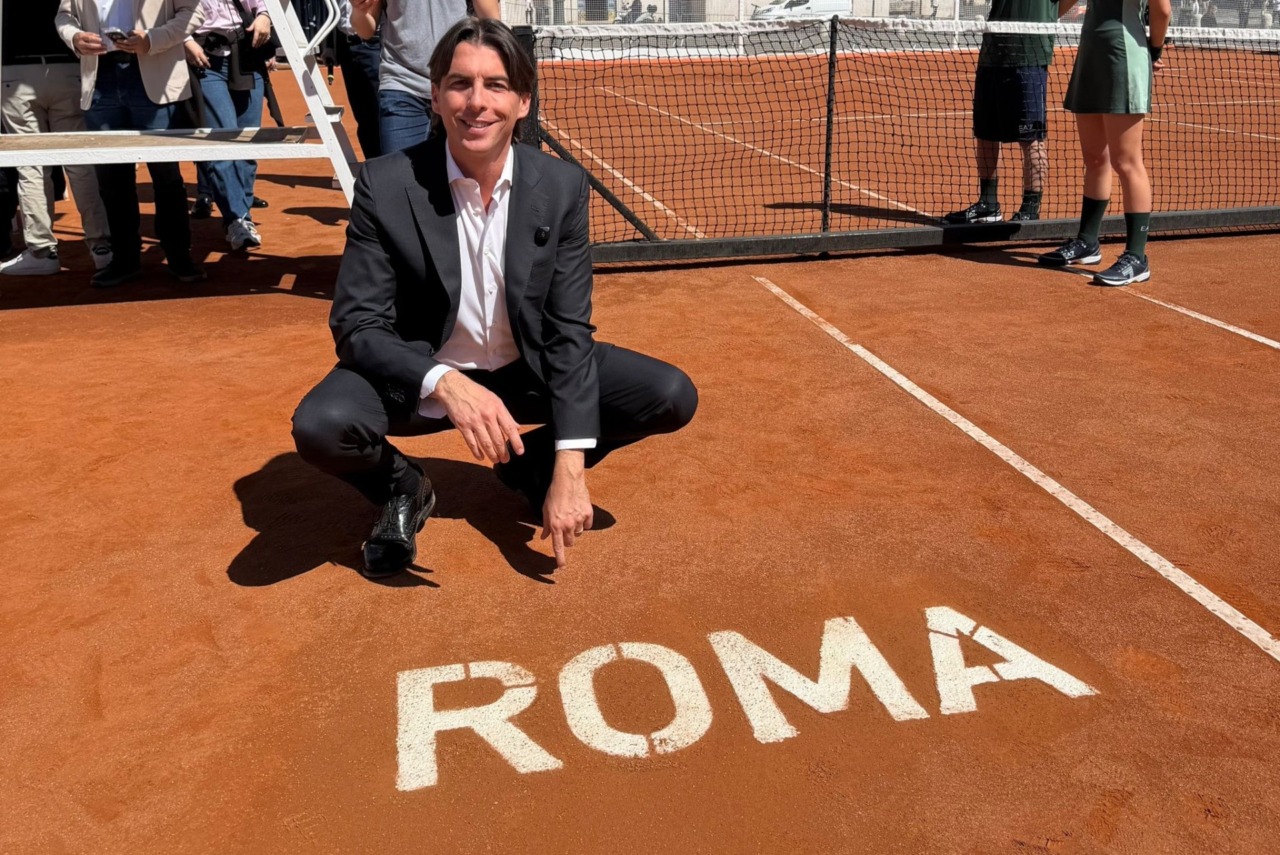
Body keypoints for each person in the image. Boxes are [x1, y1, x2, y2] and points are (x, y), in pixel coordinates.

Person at [291, 17, 698, 578]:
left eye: (496, 85)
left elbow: (567, 332)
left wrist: (570, 467)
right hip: (424, 376)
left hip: (525, 369)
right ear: (435, 96)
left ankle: (530, 472)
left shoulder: (561, 189)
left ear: (523, 101)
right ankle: (405, 488)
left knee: (669, 394)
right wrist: (445, 381)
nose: (476, 103)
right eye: (460, 84)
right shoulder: (386, 185)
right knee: (321, 424)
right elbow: (358, 325)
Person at [55, 0, 207, 288]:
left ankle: (178, 255)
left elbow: (194, 12)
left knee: (165, 174)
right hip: (100, 80)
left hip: (152, 74)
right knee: (112, 179)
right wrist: (74, 37)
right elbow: (64, 16)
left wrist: (151, 39)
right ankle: (125, 259)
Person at [1039, 0, 1170, 285]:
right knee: (1095, 157)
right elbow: (1061, 5)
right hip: (1091, 57)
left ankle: (1137, 257)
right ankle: (1087, 242)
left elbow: (1162, 10)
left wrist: (1154, 48)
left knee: (1126, 161)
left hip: (1124, 55)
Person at [1, 0, 112, 277]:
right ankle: (101, 246)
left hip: (15, 71)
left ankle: (41, 250)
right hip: (68, 68)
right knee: (81, 164)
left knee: (31, 166)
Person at [943, 0, 1067, 224]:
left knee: (1031, 137)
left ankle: (1030, 207)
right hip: (993, 49)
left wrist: (1046, 17)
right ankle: (988, 204)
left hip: (1030, 52)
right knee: (986, 132)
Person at [349, 0, 500, 155]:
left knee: (462, 175)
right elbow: (365, 30)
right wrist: (359, 9)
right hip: (402, 83)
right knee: (399, 175)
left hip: (456, 87)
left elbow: (491, 21)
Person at [184, 0, 272, 252]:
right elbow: (165, 13)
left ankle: (241, 212)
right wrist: (185, 41)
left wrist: (265, 16)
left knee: (247, 143)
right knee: (223, 141)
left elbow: (264, 4)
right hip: (204, 58)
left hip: (247, 55)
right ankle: (237, 218)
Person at [334, 0, 383, 160]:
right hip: (347, 46)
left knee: (383, 112)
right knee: (363, 116)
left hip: (375, 43)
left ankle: (391, 171)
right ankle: (374, 169)